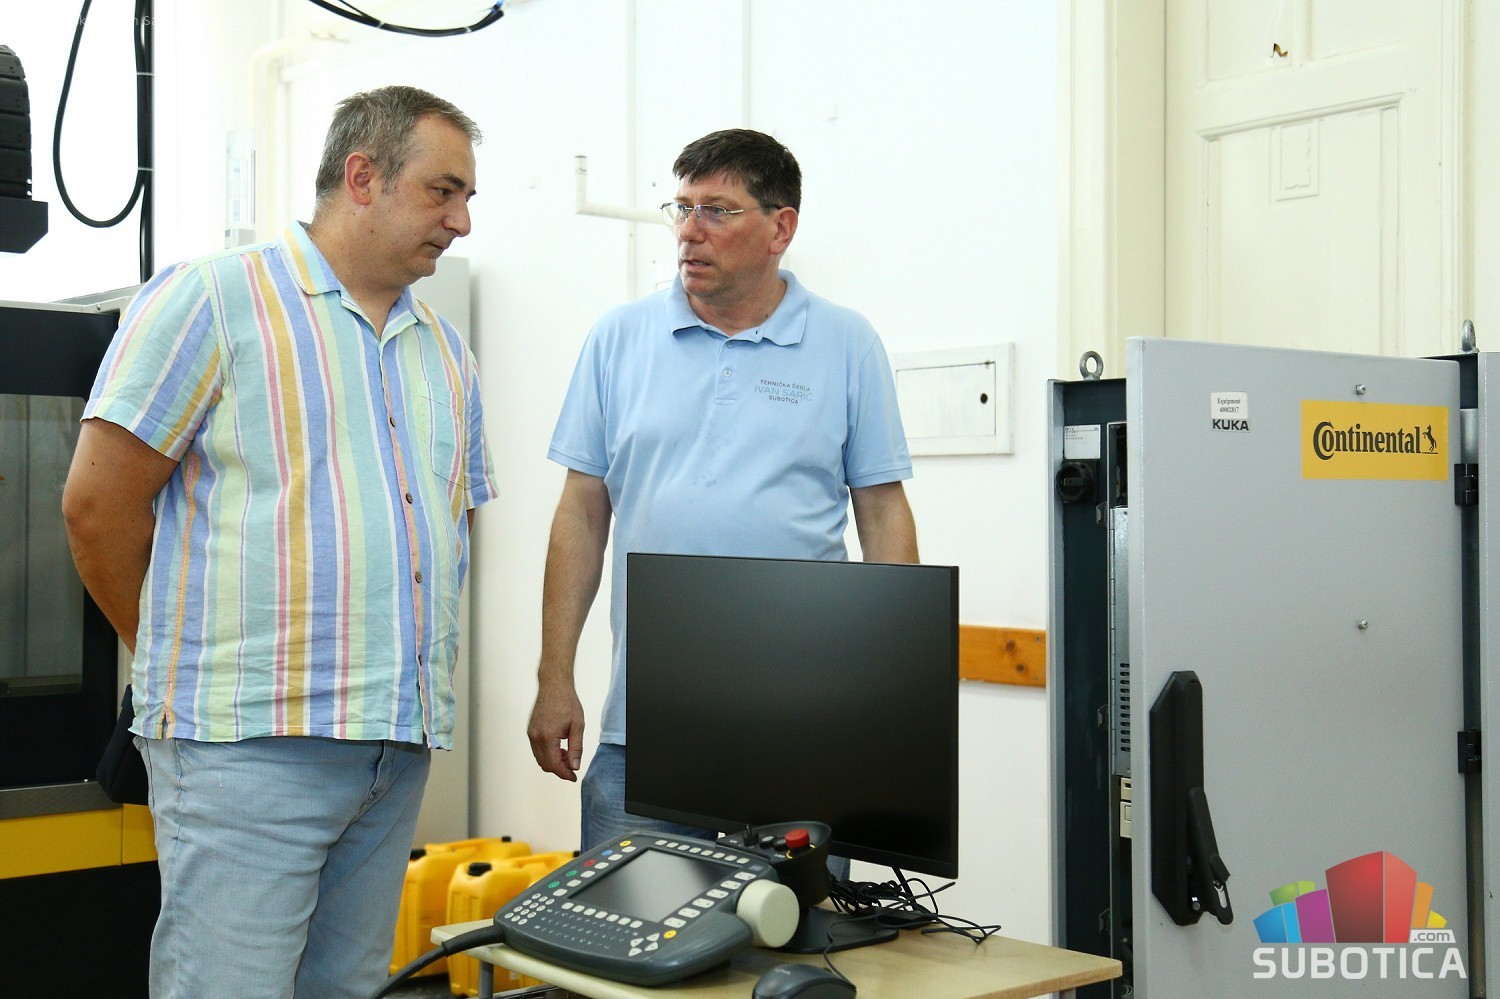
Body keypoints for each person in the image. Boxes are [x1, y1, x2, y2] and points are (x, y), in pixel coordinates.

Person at [61, 86, 494, 999]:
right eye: (443, 191)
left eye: (466, 198)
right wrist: (182, 662)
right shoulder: (213, 300)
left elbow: (451, 527)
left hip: (394, 746)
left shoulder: (445, 351)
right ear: (363, 176)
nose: (460, 221)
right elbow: (97, 507)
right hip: (246, 747)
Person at [526, 128, 919, 853]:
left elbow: (883, 512)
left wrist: (891, 693)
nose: (689, 230)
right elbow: (580, 513)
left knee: (793, 923)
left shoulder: (846, 343)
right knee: (628, 920)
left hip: (803, 723)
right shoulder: (618, 338)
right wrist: (556, 678)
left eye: (717, 210)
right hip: (644, 726)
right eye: (681, 208)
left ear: (781, 228)